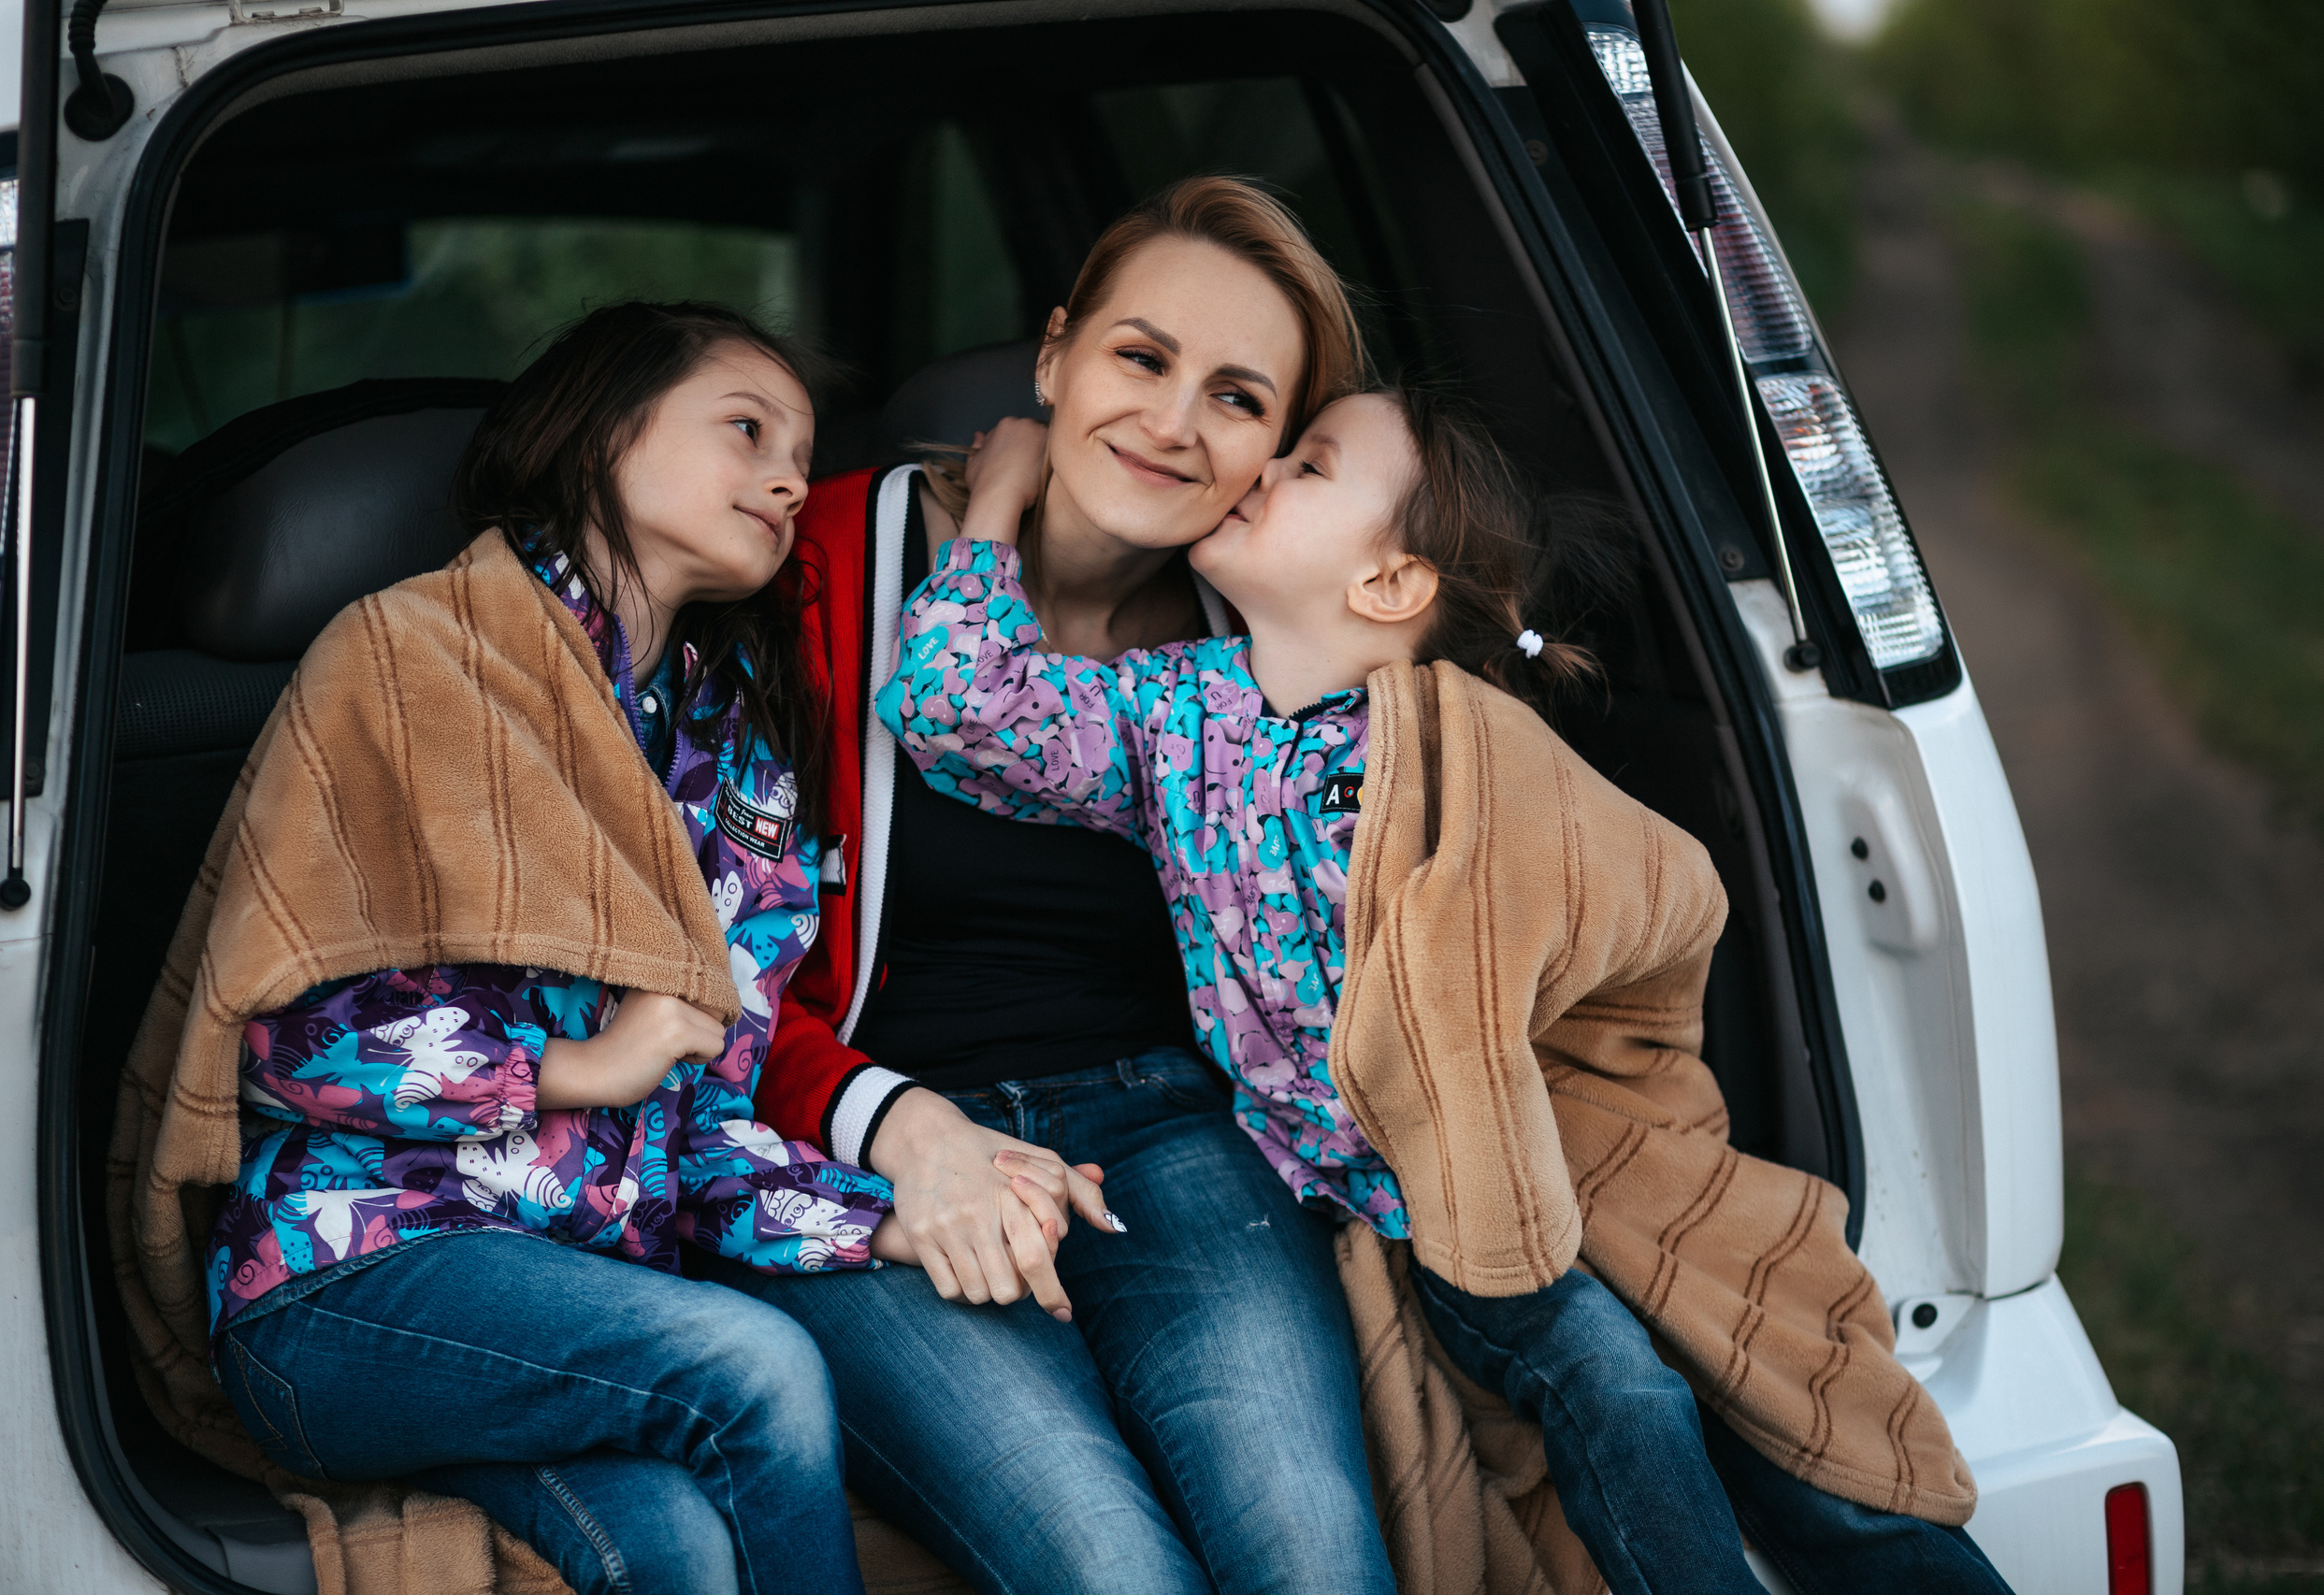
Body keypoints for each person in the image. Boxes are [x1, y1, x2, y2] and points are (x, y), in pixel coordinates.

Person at [879, 384, 2018, 1595]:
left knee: (1721, 1411)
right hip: (1383, 1211)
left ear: (1387, 585)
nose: (1258, 468)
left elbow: (1642, 896)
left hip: (1502, 1184)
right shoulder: (1174, 717)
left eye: (1307, 465)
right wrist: (997, 500)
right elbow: (952, 704)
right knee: (1614, 1382)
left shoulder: (1457, 747)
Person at [729, 179, 1399, 1594]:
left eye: (1236, 396)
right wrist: (902, 1126)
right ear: (1053, 357)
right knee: (1105, 1566)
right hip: (867, 1157)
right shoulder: (809, 570)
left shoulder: (1280, 641)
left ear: (1277, 453)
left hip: (1172, 1134)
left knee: (1313, 1554)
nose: (1171, 423)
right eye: (1140, 358)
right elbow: (694, 970)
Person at [200, 302, 922, 1595]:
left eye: (803, 455)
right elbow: (280, 1039)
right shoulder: (408, 657)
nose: (788, 478)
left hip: (565, 1304)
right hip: (343, 1284)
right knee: (755, 1367)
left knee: (678, 1547)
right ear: (601, 430)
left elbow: (701, 1122)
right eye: (747, 429)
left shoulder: (736, 757)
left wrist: (882, 1220)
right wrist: (582, 1068)